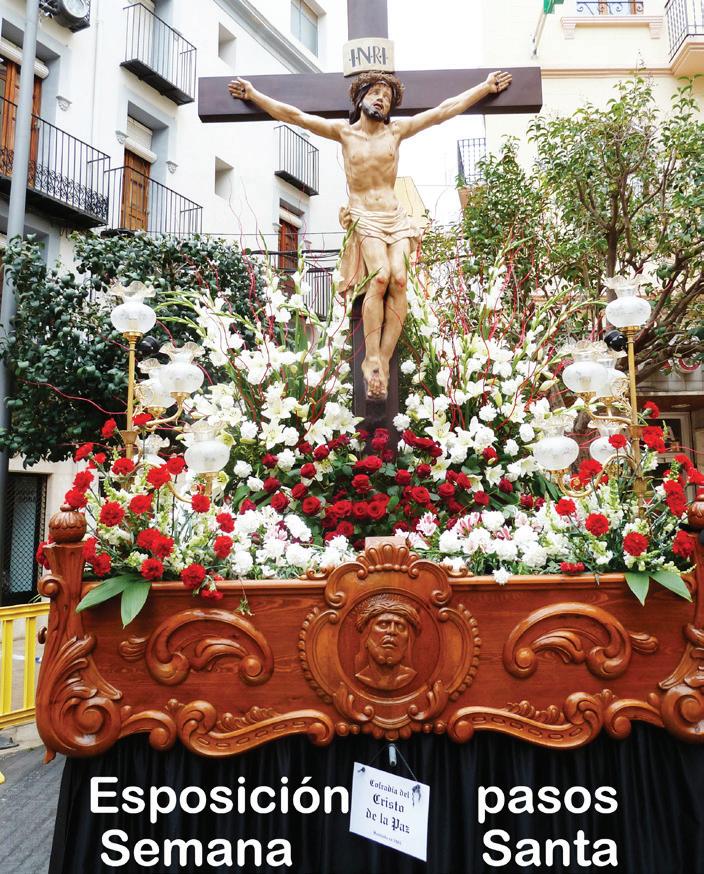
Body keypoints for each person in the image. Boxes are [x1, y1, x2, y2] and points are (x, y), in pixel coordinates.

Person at [228, 69, 512, 400]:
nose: (381, 99)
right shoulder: (344, 133)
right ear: (361, 98)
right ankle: (371, 357)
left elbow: (443, 111)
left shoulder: (396, 131)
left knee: (400, 280)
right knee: (380, 278)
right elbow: (295, 116)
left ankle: (383, 360)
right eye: (376, 93)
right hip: (364, 216)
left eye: (387, 97)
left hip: (395, 216)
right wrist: (253, 95)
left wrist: (484, 88)